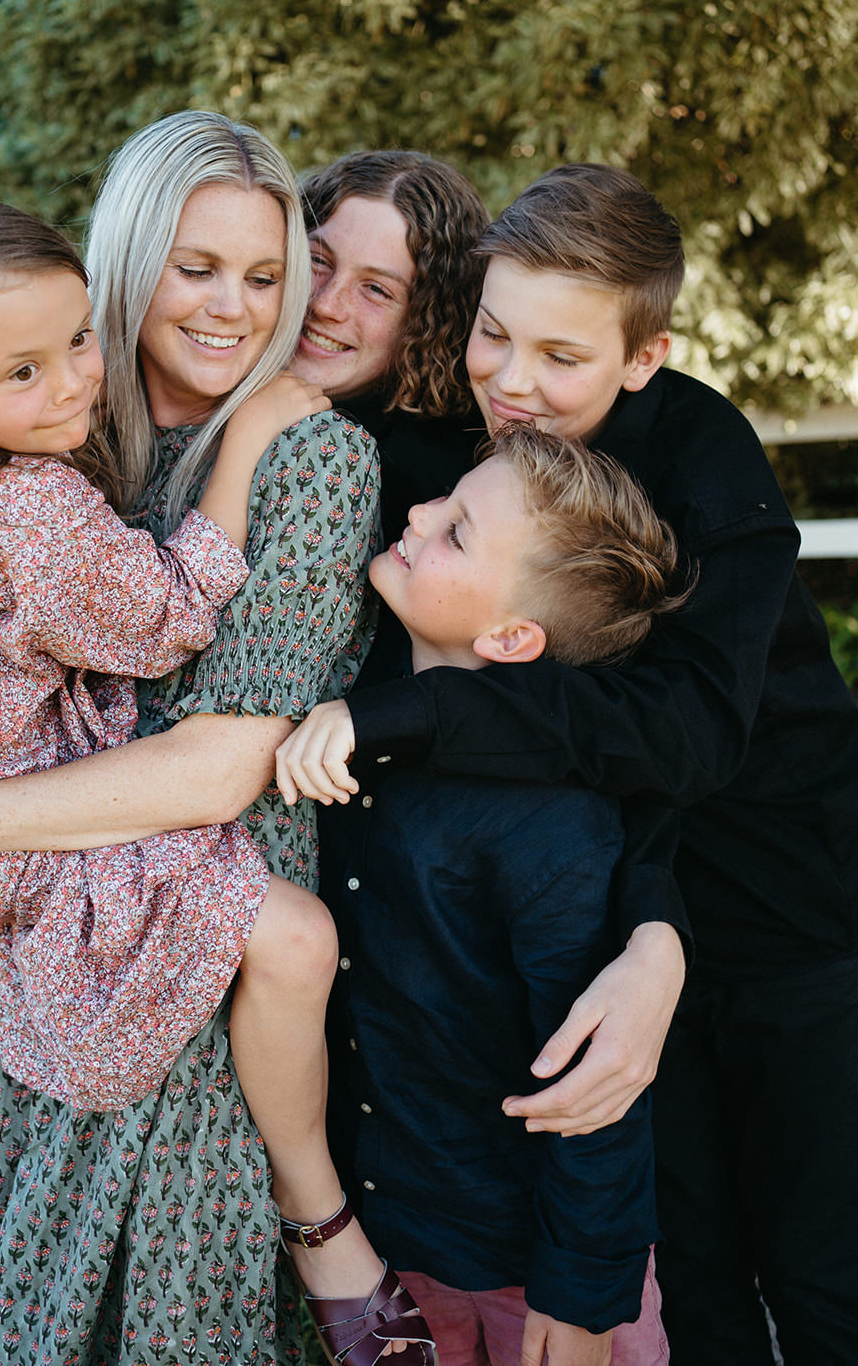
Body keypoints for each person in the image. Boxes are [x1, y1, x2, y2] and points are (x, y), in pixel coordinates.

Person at [0, 116, 441, 1366]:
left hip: (197, 907)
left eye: (265, 277)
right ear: (127, 254)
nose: (232, 308)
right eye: (194, 267)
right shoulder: (53, 407)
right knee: (17, 1284)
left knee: (168, 1299)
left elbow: (219, 766)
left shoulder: (304, 459)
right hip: (49, 906)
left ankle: (318, 1234)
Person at [282, 164, 858, 1366]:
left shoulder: (701, 452)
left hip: (773, 896)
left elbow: (683, 735)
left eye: (560, 354)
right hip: (578, 896)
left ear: (642, 355)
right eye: (493, 335)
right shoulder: (467, 443)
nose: (513, 382)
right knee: (689, 1253)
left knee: (820, 1264)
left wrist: (417, 715)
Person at [277, 422, 685, 1366]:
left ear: (510, 635)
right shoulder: (354, 737)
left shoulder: (553, 829)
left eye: (456, 530)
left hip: (527, 1278)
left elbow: (594, 1091)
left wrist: (583, 1302)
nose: (416, 513)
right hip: (392, 1258)